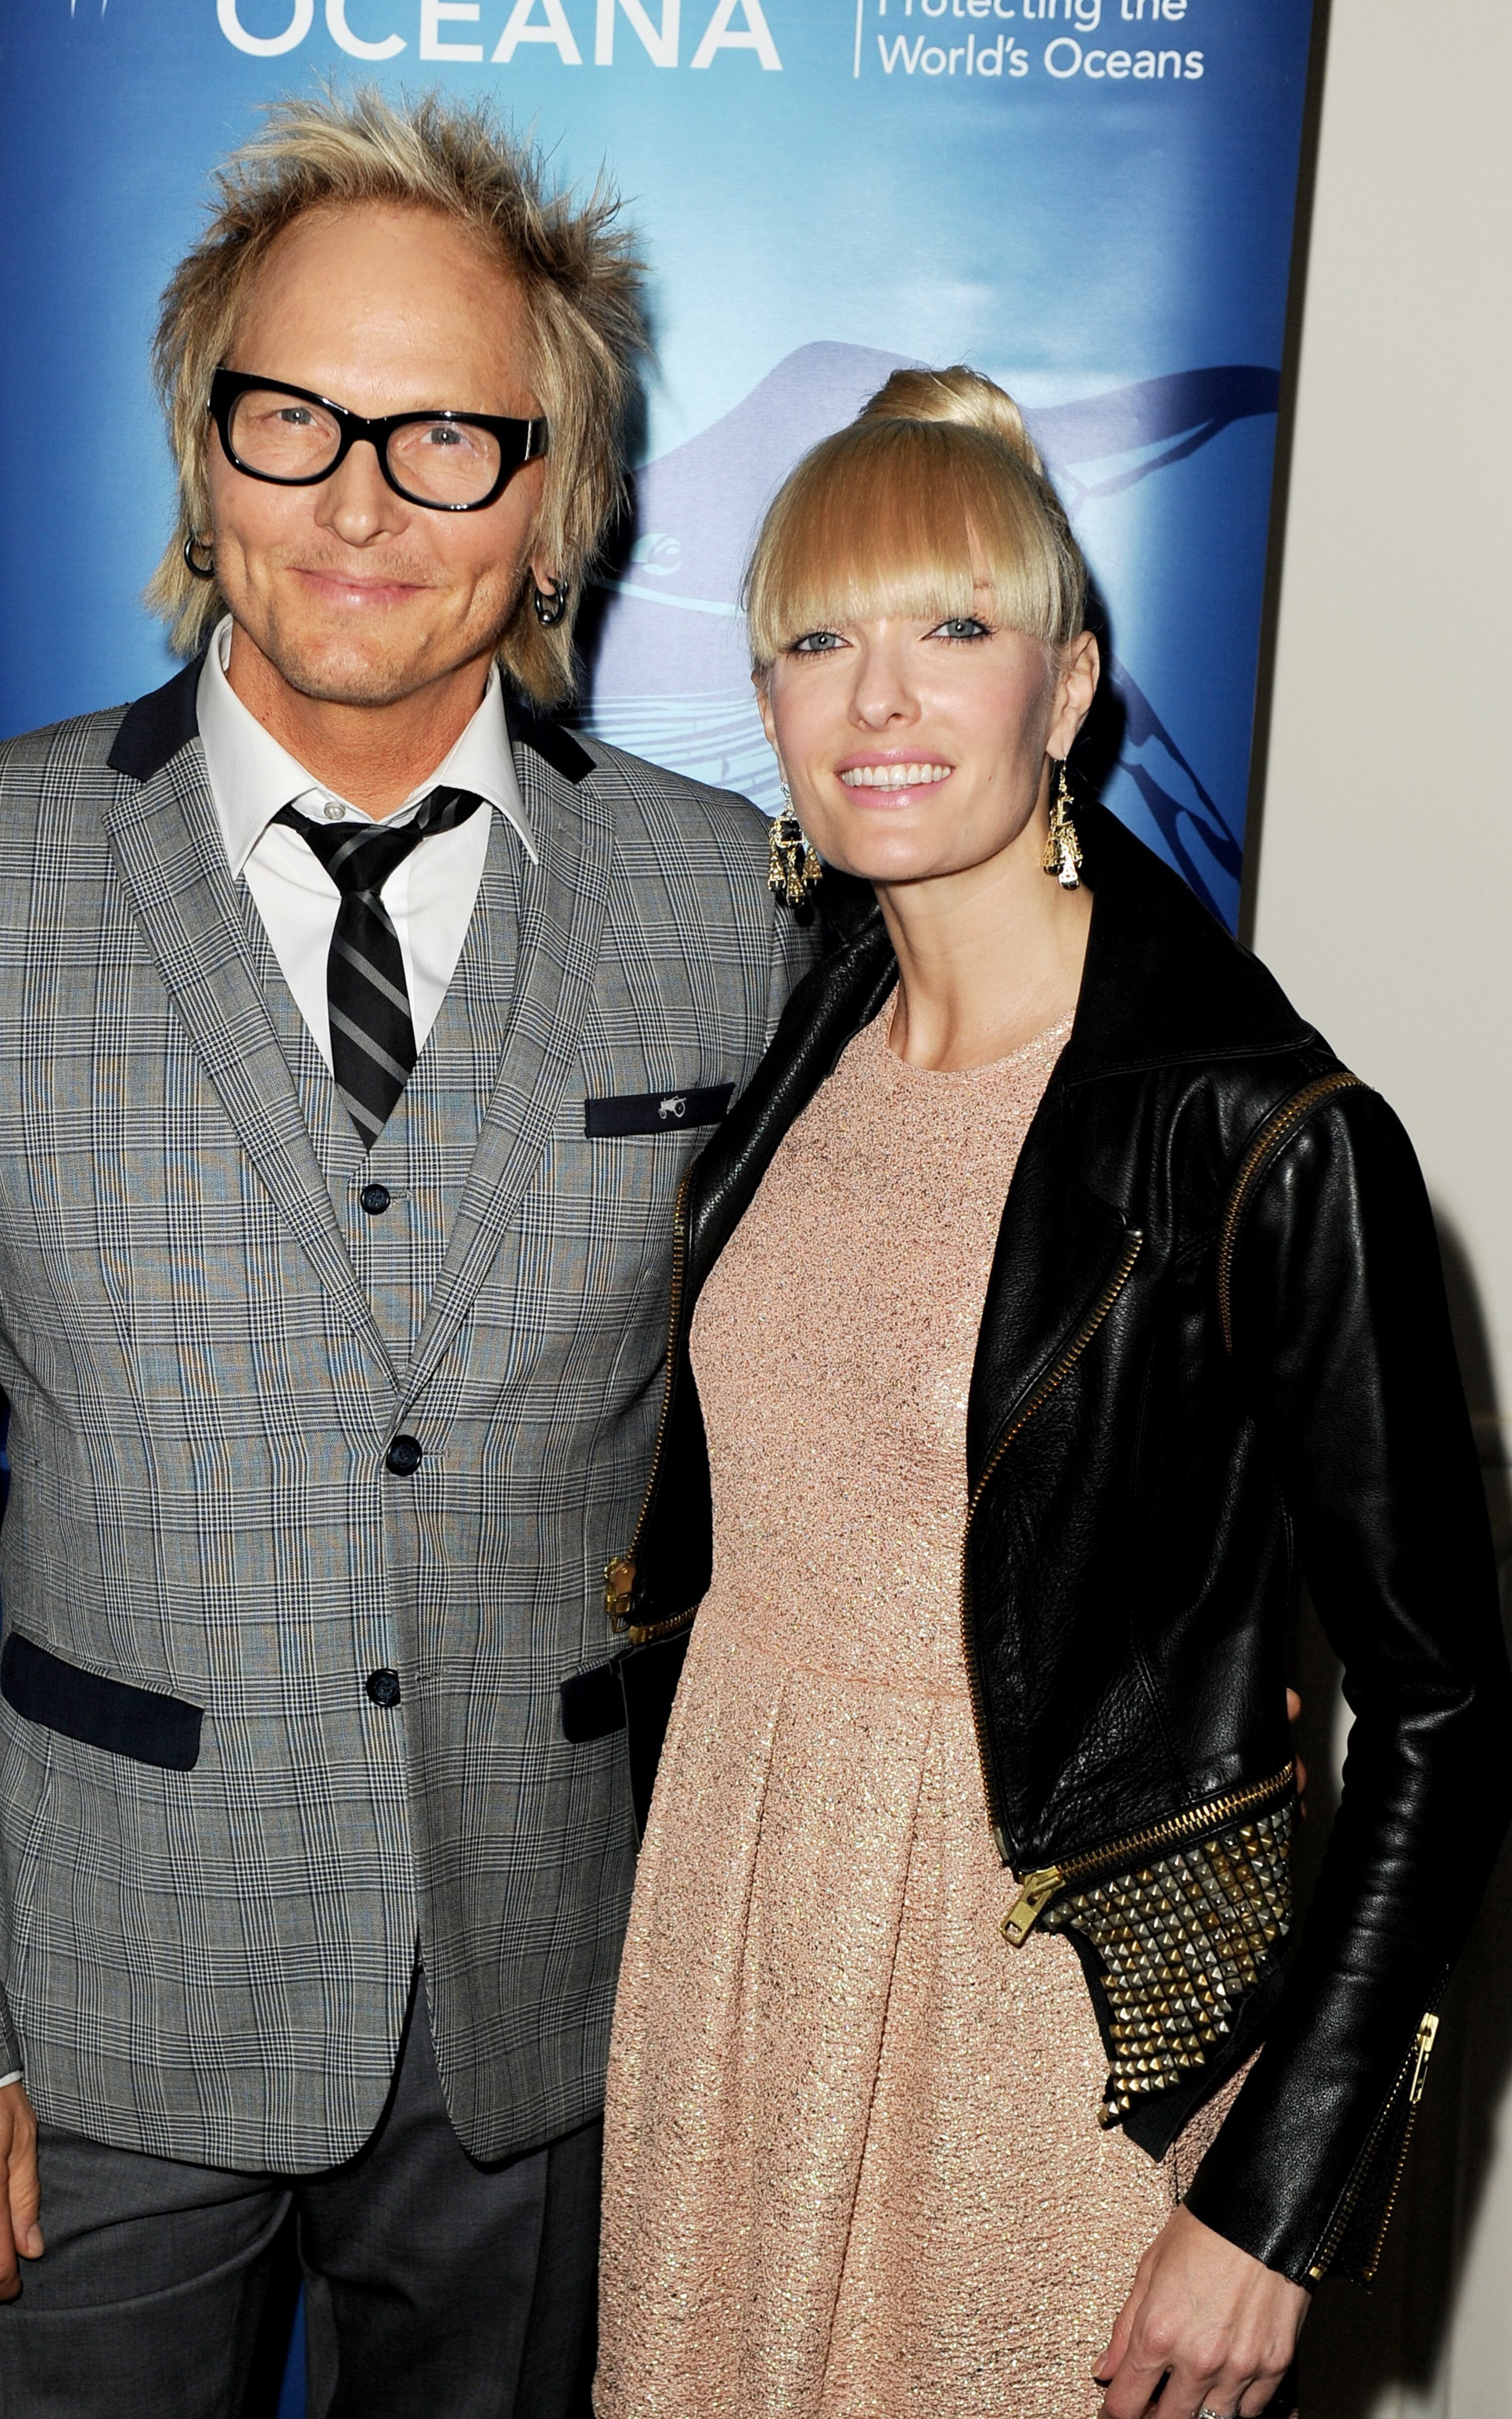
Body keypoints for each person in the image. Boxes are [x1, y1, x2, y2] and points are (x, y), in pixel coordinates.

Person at [0, 92, 811, 2419]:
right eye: (294, 419)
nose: (358, 498)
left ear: (556, 502)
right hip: (88, 2004)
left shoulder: (721, 906)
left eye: (450, 435)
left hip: (558, 2001)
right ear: (199, 458)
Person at [594, 368, 1512, 2419]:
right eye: (820, 640)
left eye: (956, 631)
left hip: (1043, 2016)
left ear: (1070, 687)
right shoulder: (805, 1036)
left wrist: (1277, 2189)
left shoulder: (1262, 1132)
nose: (882, 701)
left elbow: (1452, 1703)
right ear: (764, 700)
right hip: (736, 1957)